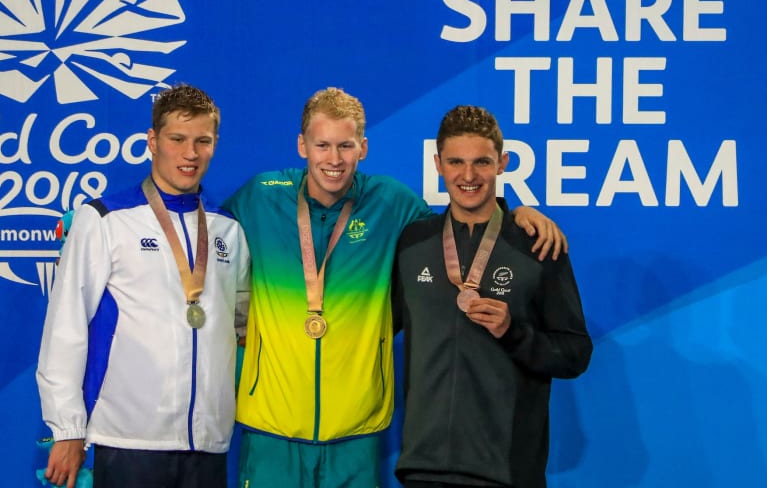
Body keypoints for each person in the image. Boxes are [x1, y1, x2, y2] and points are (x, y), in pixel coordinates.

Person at [223, 88, 566, 488]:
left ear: (363, 147)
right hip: (269, 427)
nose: (334, 160)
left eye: (346, 146)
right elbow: (206, 239)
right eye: (323, 145)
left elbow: (457, 227)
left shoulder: (393, 203)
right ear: (303, 145)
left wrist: (517, 213)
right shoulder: (260, 196)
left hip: (357, 430)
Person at [36, 85, 251, 488]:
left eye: (203, 141)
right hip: (128, 440)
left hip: (208, 444)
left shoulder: (229, 231)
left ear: (215, 144)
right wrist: (67, 428)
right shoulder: (105, 220)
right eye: (177, 140)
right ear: (153, 141)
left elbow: (240, 329)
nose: (191, 153)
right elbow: (65, 328)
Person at [393, 105, 592, 488]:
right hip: (423, 468)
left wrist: (514, 332)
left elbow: (575, 353)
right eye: (456, 162)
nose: (468, 176)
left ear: (503, 163)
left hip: (506, 472)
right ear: (438, 164)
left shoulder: (537, 246)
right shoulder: (413, 243)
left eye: (482, 162)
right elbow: (374, 327)